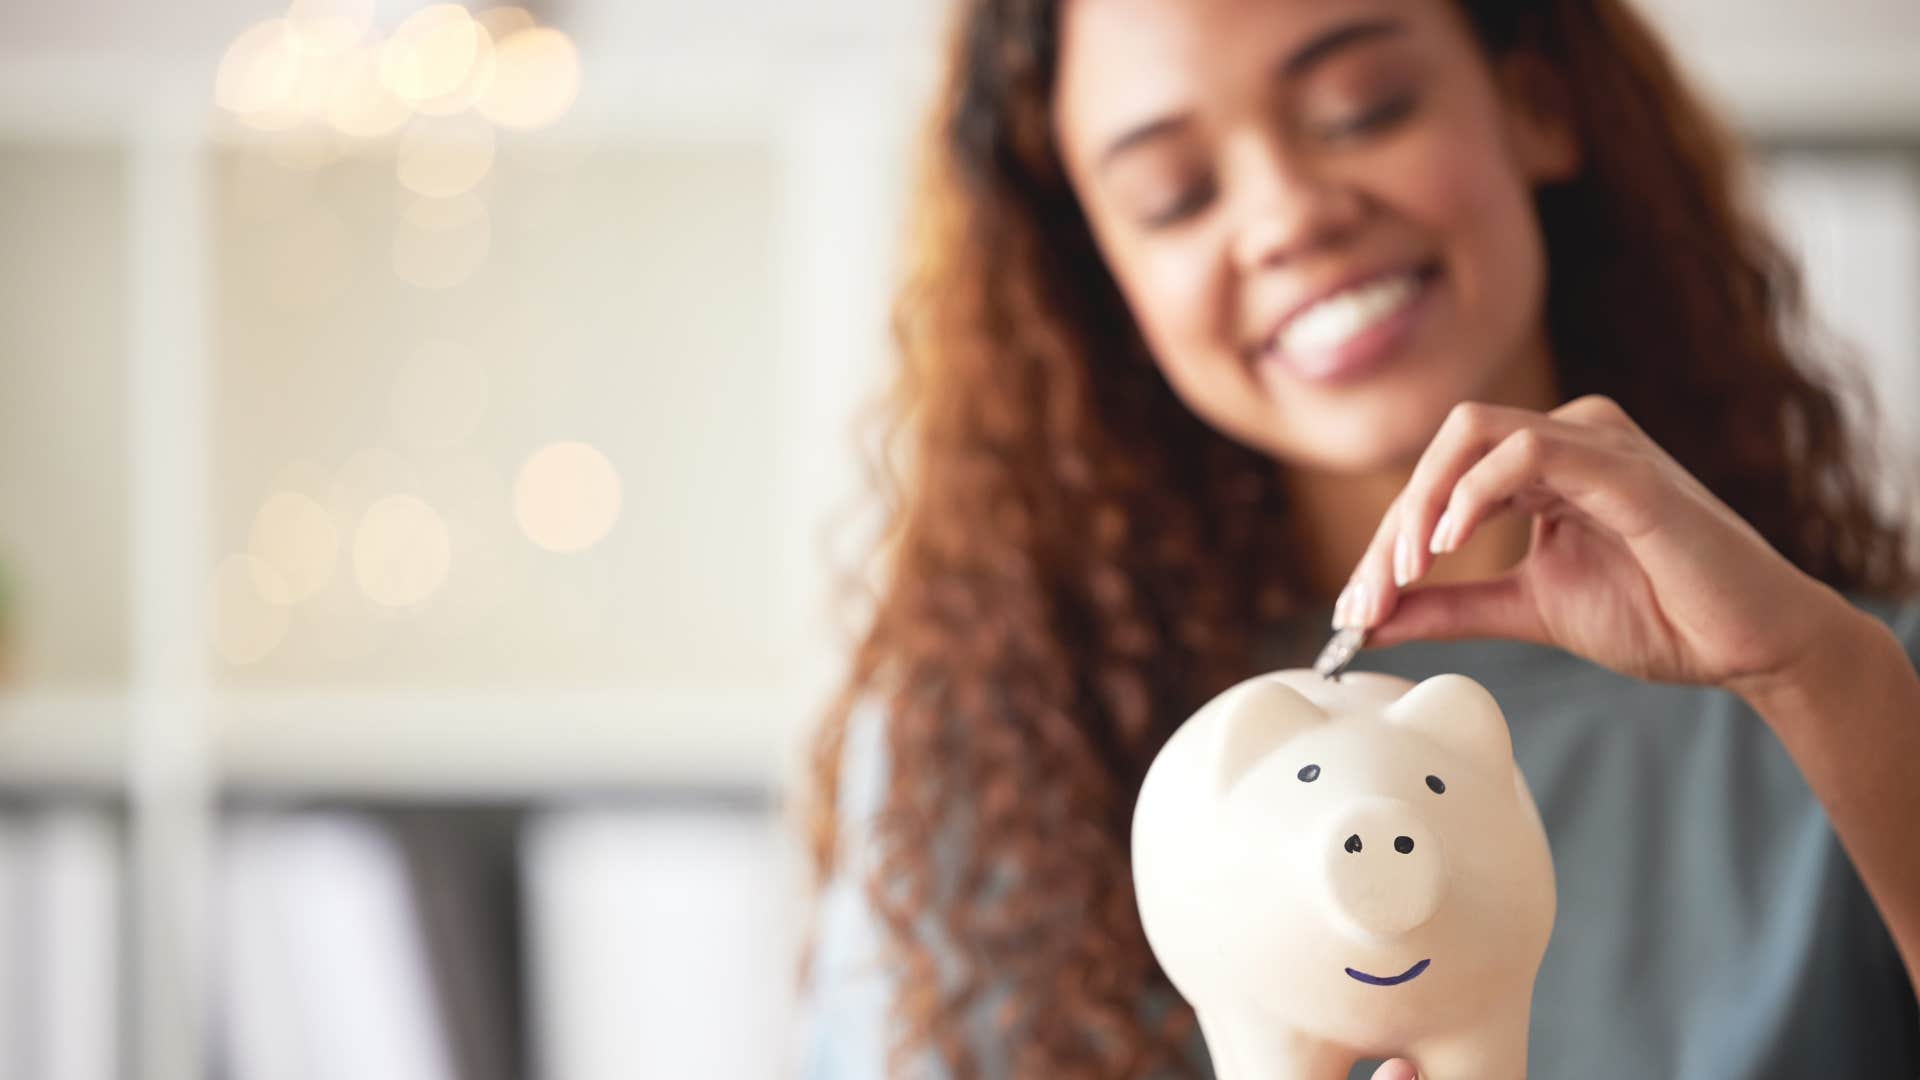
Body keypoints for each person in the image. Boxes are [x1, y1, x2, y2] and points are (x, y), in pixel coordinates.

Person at [795, 0, 1920, 1076]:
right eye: (1176, 194)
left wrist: (1824, 677)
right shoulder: (988, 762)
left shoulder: (1859, 694)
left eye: (1362, 109)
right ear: (1103, 278)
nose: (1288, 215)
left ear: (1538, 104)